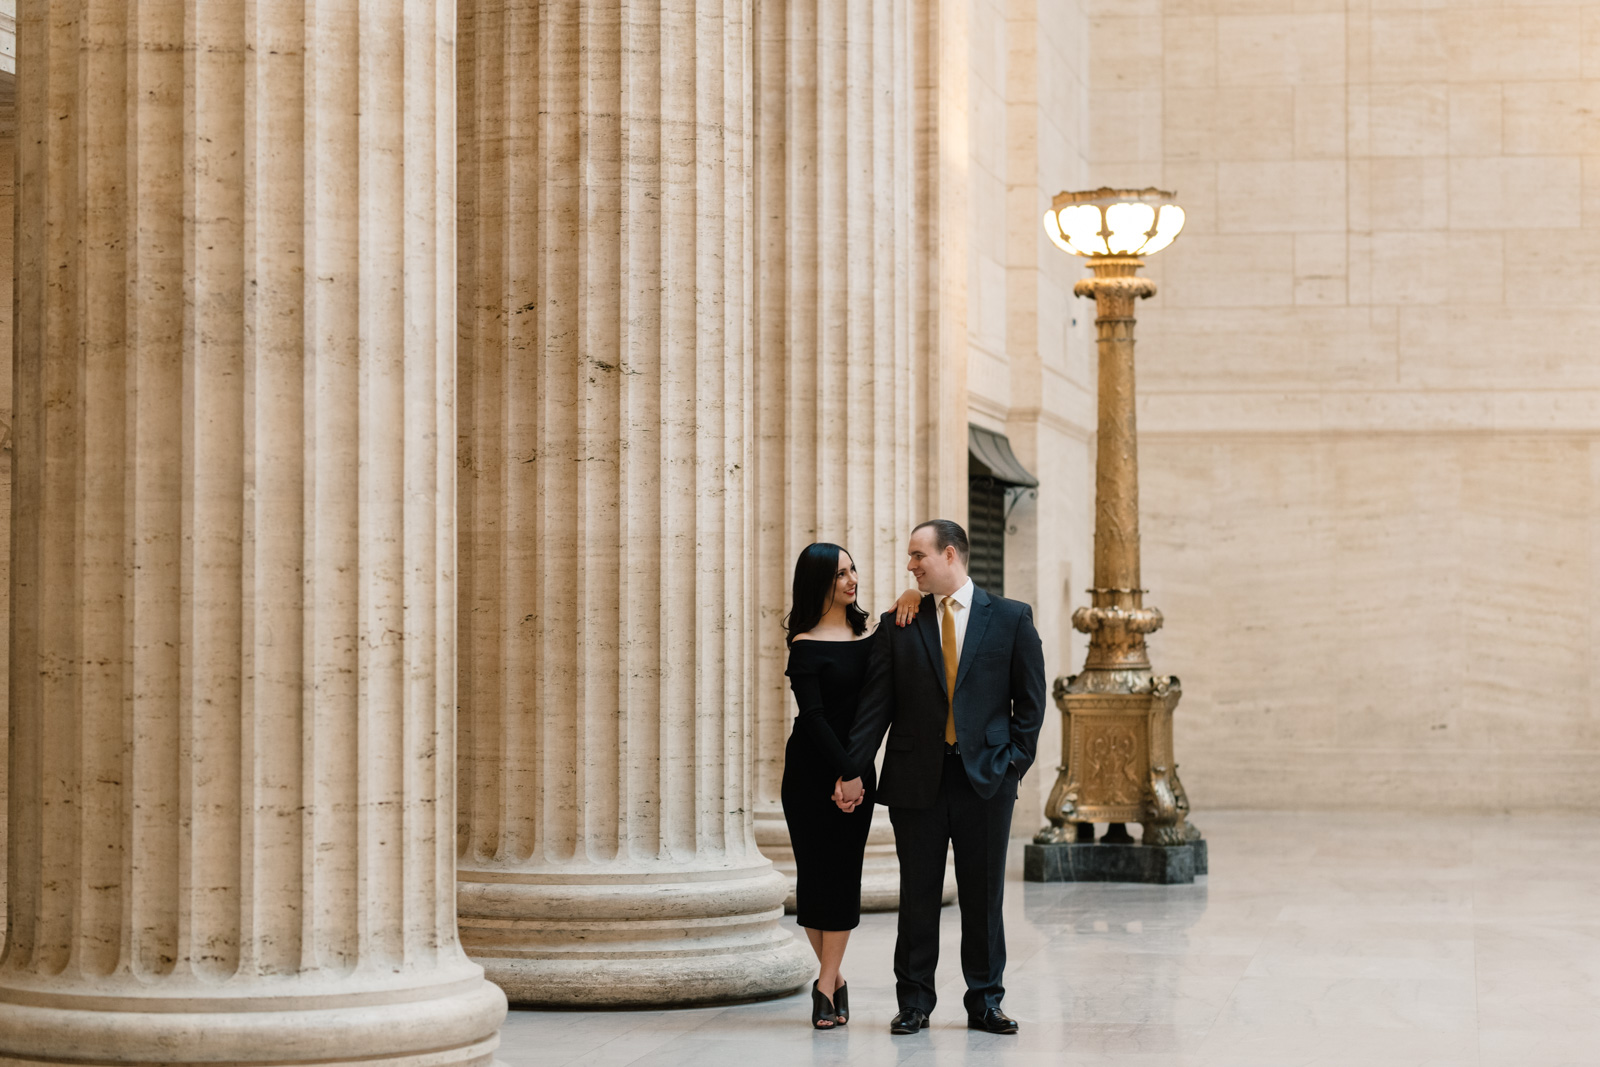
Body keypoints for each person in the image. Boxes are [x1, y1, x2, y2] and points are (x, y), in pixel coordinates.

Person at [834, 519, 1046, 1036]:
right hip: (915, 780)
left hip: (986, 781)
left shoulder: (1012, 619)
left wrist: (1012, 764)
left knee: (983, 895)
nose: (910, 565)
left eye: (917, 556)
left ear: (949, 555)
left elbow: (1031, 704)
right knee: (918, 895)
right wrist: (851, 768)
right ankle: (914, 1002)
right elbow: (875, 709)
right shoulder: (900, 623)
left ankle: (985, 1000)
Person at [782, 543, 922, 1030]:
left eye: (853, 569)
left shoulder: (872, 634)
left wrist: (909, 590)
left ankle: (824, 985)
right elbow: (814, 718)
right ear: (819, 582)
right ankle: (834, 981)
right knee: (814, 877)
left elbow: (918, 606)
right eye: (840, 573)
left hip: (858, 768)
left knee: (843, 875)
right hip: (810, 770)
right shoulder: (803, 642)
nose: (852, 579)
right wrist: (847, 771)